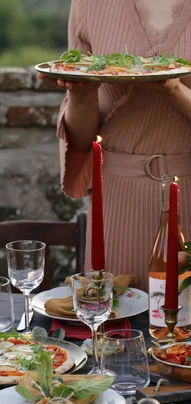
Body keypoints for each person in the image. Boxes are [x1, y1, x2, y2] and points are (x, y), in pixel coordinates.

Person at [44, 0, 191, 290]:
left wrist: (174, 88)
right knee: (111, 320)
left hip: (187, 193)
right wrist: (81, 94)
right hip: (115, 202)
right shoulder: (89, 5)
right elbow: (83, 139)